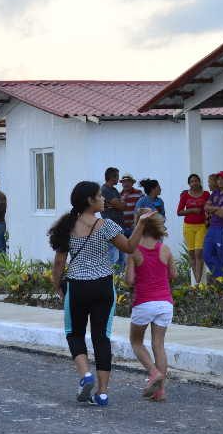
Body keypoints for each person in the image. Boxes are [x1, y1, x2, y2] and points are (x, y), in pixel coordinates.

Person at [48, 181, 155, 407]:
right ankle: (103, 392)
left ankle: (86, 374)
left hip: (77, 287)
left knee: (74, 333)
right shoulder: (105, 225)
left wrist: (57, 285)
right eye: (99, 196)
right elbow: (129, 247)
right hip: (103, 286)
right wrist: (141, 224)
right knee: (101, 337)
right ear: (90, 201)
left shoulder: (68, 225)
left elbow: (59, 261)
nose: (103, 198)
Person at [125, 214, 176, 402]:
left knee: (136, 342)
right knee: (158, 345)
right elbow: (173, 274)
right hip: (165, 303)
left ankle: (154, 373)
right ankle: (159, 391)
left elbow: (129, 280)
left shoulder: (134, 251)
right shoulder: (165, 250)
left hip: (144, 302)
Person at [177, 174, 210, 285]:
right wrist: (192, 211)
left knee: (198, 253)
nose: (194, 183)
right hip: (188, 226)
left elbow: (209, 209)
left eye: (196, 181)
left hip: (201, 226)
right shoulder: (185, 195)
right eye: (192, 181)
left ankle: (198, 281)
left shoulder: (206, 194)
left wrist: (208, 219)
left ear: (199, 182)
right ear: (189, 183)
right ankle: (197, 281)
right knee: (191, 254)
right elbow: (179, 212)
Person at [203, 171, 223, 279]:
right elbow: (206, 207)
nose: (220, 181)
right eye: (218, 179)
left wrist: (213, 209)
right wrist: (217, 208)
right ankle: (222, 278)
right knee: (206, 254)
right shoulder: (215, 193)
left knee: (222, 256)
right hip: (212, 228)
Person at [100, 167, 126, 268]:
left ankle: (119, 281)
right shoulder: (105, 190)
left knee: (121, 258)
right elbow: (121, 205)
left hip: (119, 226)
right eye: (117, 176)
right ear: (112, 177)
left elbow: (122, 205)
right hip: (111, 227)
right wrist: (118, 204)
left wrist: (118, 204)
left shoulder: (114, 190)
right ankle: (112, 281)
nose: (119, 179)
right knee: (113, 257)